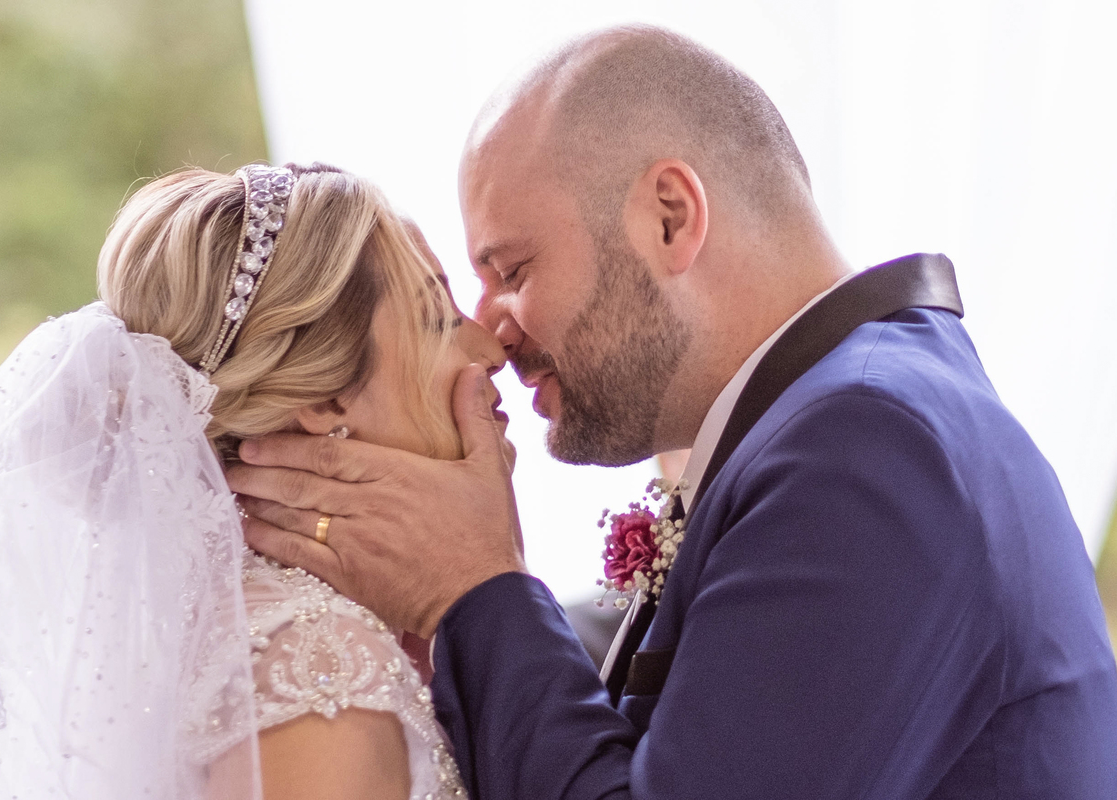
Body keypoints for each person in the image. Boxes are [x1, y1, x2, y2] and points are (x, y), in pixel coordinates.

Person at [230, 25, 1117, 799]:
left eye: (514, 271)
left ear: (669, 215)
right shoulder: (856, 416)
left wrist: (476, 586)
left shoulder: (875, 453)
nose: (493, 335)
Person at [0, 162, 495, 799]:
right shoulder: (315, 662)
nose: (490, 348)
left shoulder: (206, 632)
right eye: (438, 318)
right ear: (326, 399)